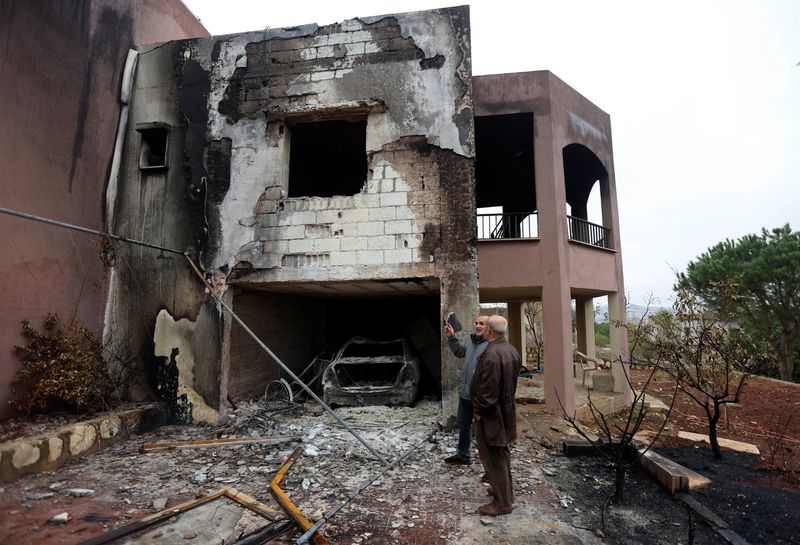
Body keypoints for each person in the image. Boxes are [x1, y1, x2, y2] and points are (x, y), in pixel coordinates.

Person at [470, 315, 521, 516]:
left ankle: (502, 504)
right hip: (505, 411)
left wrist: (479, 411)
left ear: (489, 331)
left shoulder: (491, 354)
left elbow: (488, 393)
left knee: (494, 457)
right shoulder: (511, 350)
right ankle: (503, 492)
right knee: (501, 454)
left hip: (492, 416)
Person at [443, 315, 489, 465]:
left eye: (482, 323)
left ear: (489, 327)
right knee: (464, 426)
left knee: (485, 431)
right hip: (465, 394)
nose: (478, 326)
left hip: (480, 397)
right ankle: (463, 456)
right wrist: (452, 337)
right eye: (476, 323)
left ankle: (491, 468)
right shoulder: (471, 342)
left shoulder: (490, 346)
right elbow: (459, 352)